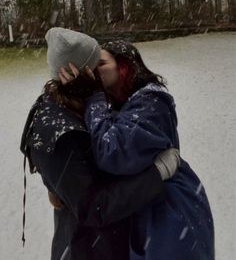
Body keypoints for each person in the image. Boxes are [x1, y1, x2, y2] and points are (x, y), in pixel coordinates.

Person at [20, 28, 180, 260]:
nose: (100, 76)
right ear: (79, 73)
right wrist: (157, 173)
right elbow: (95, 207)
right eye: (95, 67)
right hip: (87, 248)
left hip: (108, 242)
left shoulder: (82, 102)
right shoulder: (60, 126)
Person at [60, 40, 215, 260]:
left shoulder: (152, 102)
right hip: (145, 205)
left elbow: (113, 152)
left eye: (101, 63)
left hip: (171, 213)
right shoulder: (118, 103)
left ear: (124, 67)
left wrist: (93, 97)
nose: (94, 71)